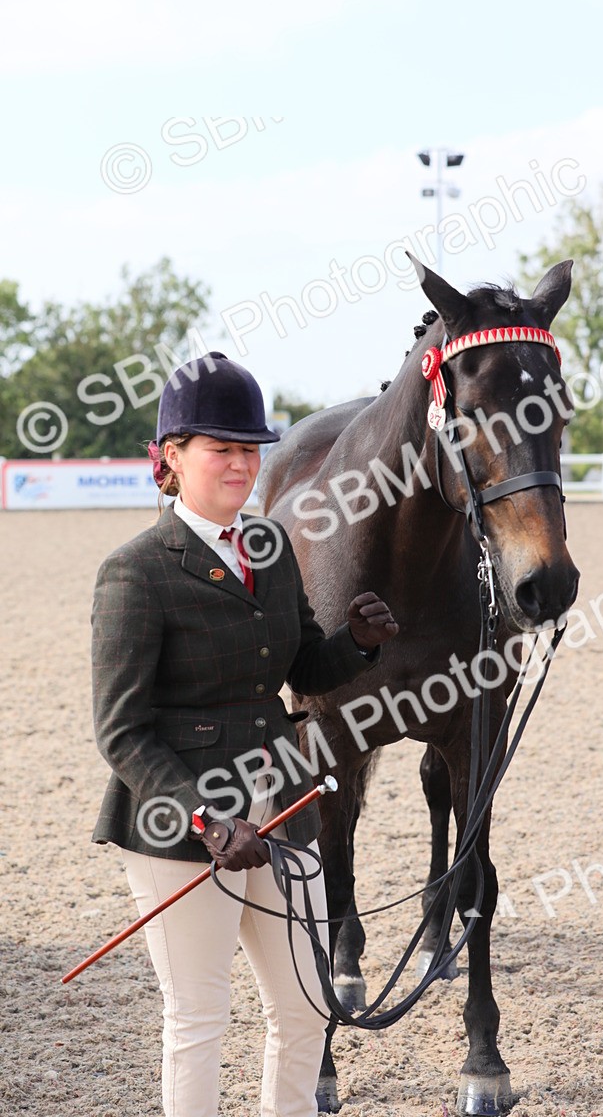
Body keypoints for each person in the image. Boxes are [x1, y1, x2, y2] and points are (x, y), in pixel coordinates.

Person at [91, 350, 398, 1117]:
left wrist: (355, 644)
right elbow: (121, 730)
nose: (240, 462)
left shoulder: (268, 544)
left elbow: (303, 667)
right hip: (181, 824)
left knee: (303, 1008)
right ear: (171, 458)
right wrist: (206, 817)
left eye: (250, 448)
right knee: (199, 1020)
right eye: (221, 448)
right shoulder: (134, 571)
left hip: (286, 807)